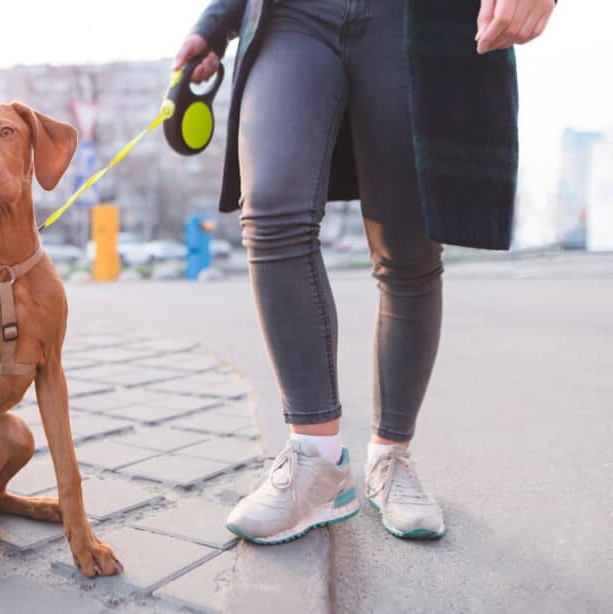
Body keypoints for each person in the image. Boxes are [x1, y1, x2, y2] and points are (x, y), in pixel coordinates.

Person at [173, 0, 555, 543]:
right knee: (272, 211)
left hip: (417, 18)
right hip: (292, 16)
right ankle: (316, 461)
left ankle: (391, 455)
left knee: (408, 248)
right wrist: (217, 21)